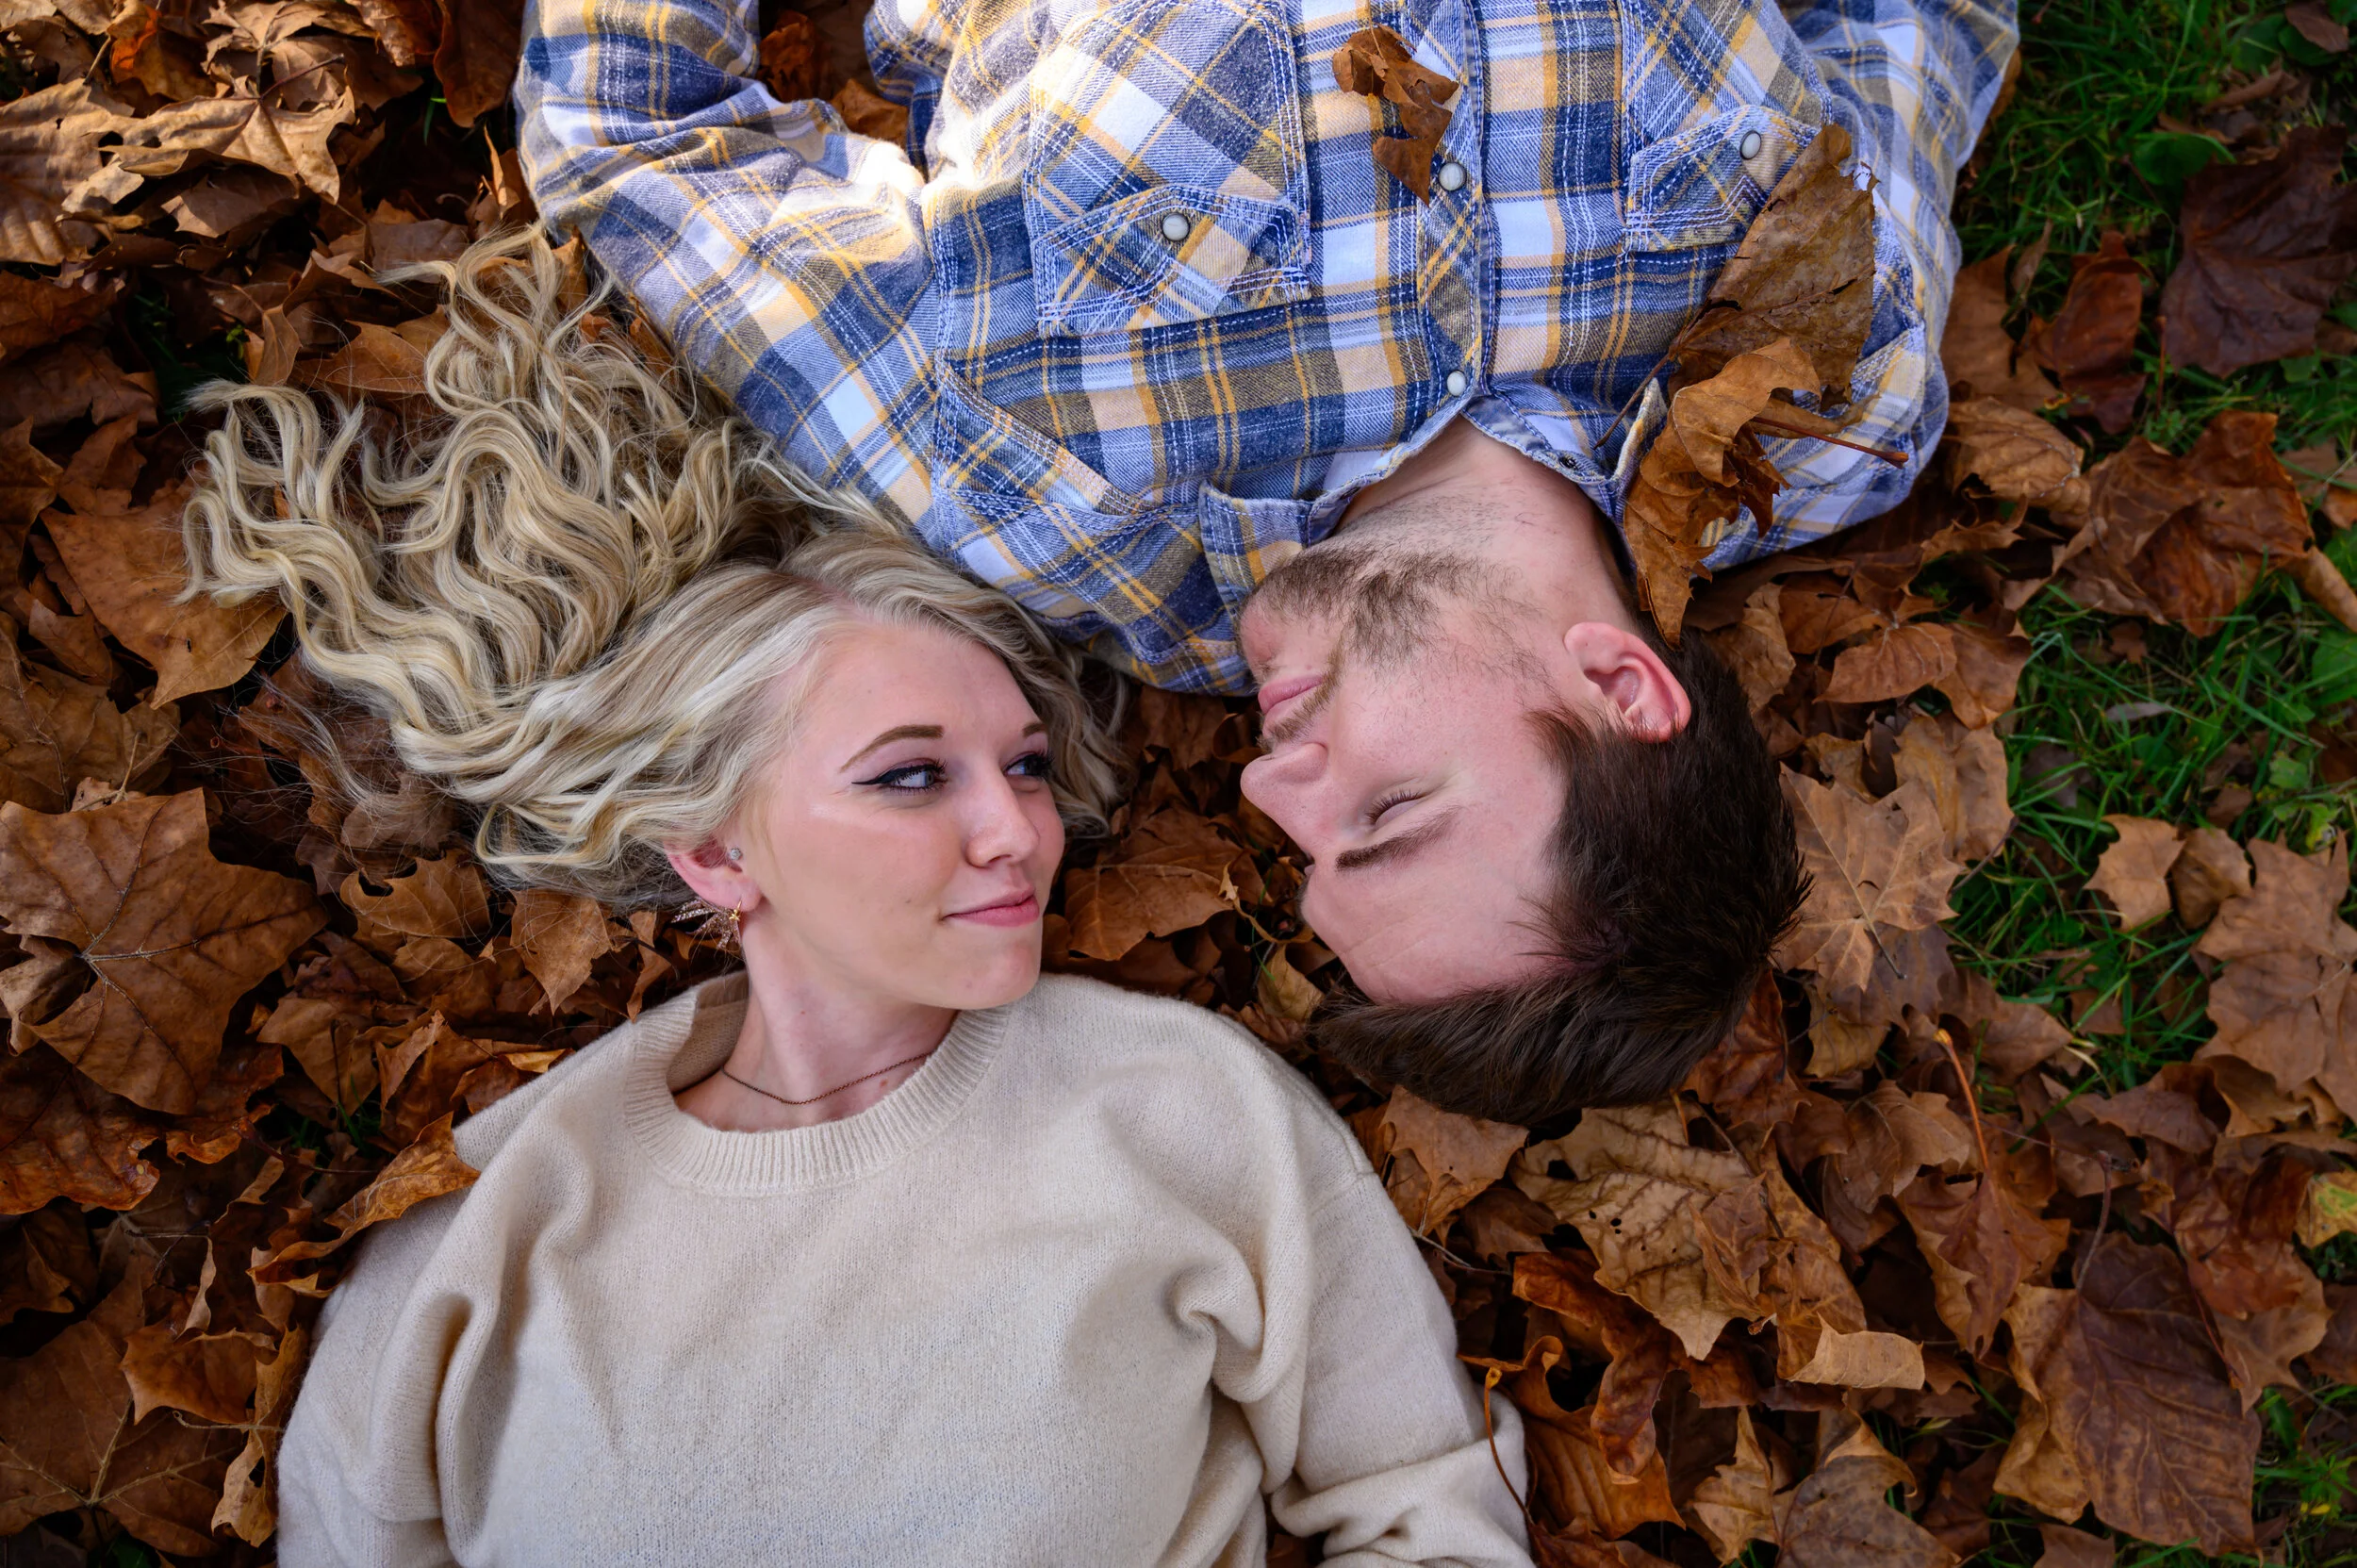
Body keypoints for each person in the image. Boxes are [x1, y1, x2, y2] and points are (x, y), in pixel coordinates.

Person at [192, 236, 1531, 1567]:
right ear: (718, 853)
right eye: (909, 777)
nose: (1017, 829)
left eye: (1020, 764)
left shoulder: (1181, 1110)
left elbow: (1434, 1511)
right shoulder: (482, 1229)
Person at [510, 0, 2012, 1123]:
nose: (1266, 785)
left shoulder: (1045, 492)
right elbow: (1906, 26)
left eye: (1306, 849)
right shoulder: (1828, 383)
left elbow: (639, 143)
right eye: (1391, 813)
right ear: (1621, 685)